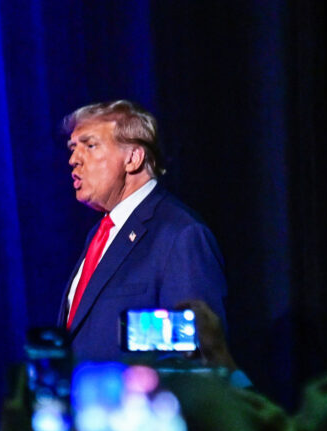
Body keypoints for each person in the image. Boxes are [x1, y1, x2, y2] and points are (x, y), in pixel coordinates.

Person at [57, 100, 228, 360]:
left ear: (133, 158)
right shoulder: (99, 235)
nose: (73, 159)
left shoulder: (180, 235)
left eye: (90, 146)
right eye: (72, 148)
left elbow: (197, 356)